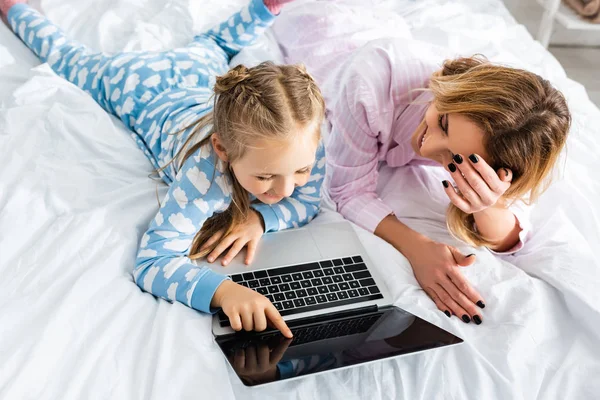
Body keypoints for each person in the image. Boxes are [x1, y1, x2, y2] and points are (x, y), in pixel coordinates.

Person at [1, 0, 327, 337]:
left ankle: (264, 7)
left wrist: (261, 219)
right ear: (222, 150)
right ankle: (14, 8)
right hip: (138, 85)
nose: (286, 189)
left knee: (216, 44)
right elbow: (152, 263)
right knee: (67, 56)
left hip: (198, 68)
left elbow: (307, 202)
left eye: (300, 171)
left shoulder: (302, 140)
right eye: (264, 177)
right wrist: (223, 291)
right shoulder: (204, 178)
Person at [272, 2, 571, 324]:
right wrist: (418, 247)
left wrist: (489, 205)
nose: (429, 148)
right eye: (443, 123)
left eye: (454, 158)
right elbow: (347, 190)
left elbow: (510, 236)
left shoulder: (512, 130)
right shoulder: (374, 78)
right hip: (321, 24)